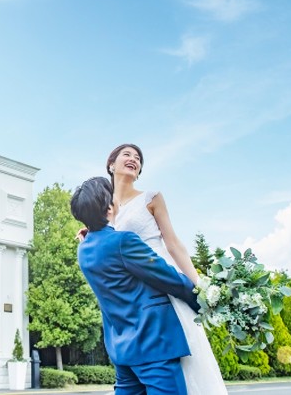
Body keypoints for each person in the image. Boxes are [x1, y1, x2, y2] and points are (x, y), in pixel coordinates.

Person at [106, 143, 228, 394]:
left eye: (138, 158)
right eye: (126, 155)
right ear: (111, 164)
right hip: (129, 291)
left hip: (162, 279)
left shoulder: (151, 198)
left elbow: (173, 244)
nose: (133, 159)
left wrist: (199, 285)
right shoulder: (103, 207)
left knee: (180, 355)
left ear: (139, 170)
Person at [71, 177, 200, 395]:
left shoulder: (83, 250)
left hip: (121, 347)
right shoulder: (123, 241)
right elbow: (168, 277)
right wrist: (202, 300)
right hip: (153, 343)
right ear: (110, 208)